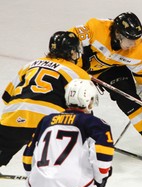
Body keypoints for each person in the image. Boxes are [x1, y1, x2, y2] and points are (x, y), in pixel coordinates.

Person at [69, 12, 142, 159]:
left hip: (112, 70)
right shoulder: (96, 27)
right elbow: (69, 41)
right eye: (130, 40)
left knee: (129, 100)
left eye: (137, 40)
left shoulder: (139, 50)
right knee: (77, 100)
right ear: (118, 34)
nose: (134, 44)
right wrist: (79, 61)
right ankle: (78, 136)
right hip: (79, 69)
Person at [23, 78, 114, 187]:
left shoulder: (46, 120)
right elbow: (103, 160)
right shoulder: (95, 124)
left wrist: (38, 181)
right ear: (89, 100)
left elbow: (27, 158)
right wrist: (100, 179)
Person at [0, 31, 91, 167]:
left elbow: (6, 97)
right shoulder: (79, 73)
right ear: (72, 52)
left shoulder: (29, 65)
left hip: (10, 120)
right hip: (48, 126)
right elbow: (85, 109)